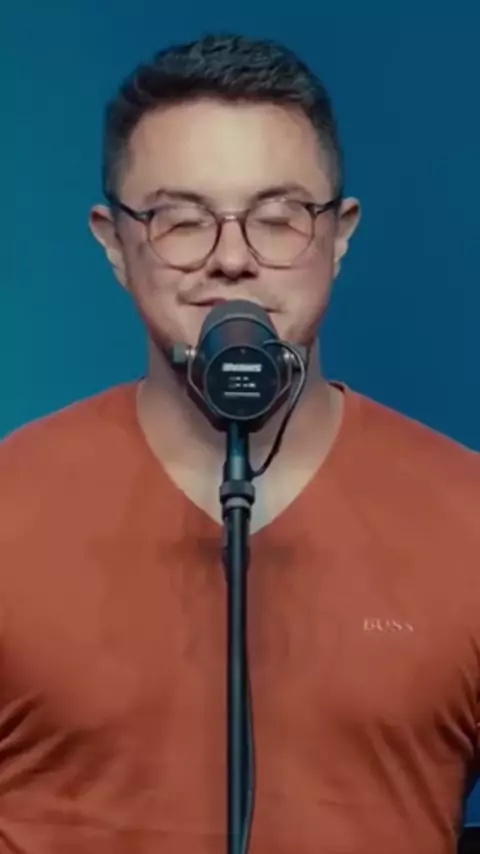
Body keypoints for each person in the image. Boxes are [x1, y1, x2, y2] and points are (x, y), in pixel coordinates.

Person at [0, 31, 479, 854]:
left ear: (339, 235)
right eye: (181, 221)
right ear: (114, 243)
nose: (231, 260)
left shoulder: (467, 516)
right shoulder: (11, 501)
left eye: (278, 219)